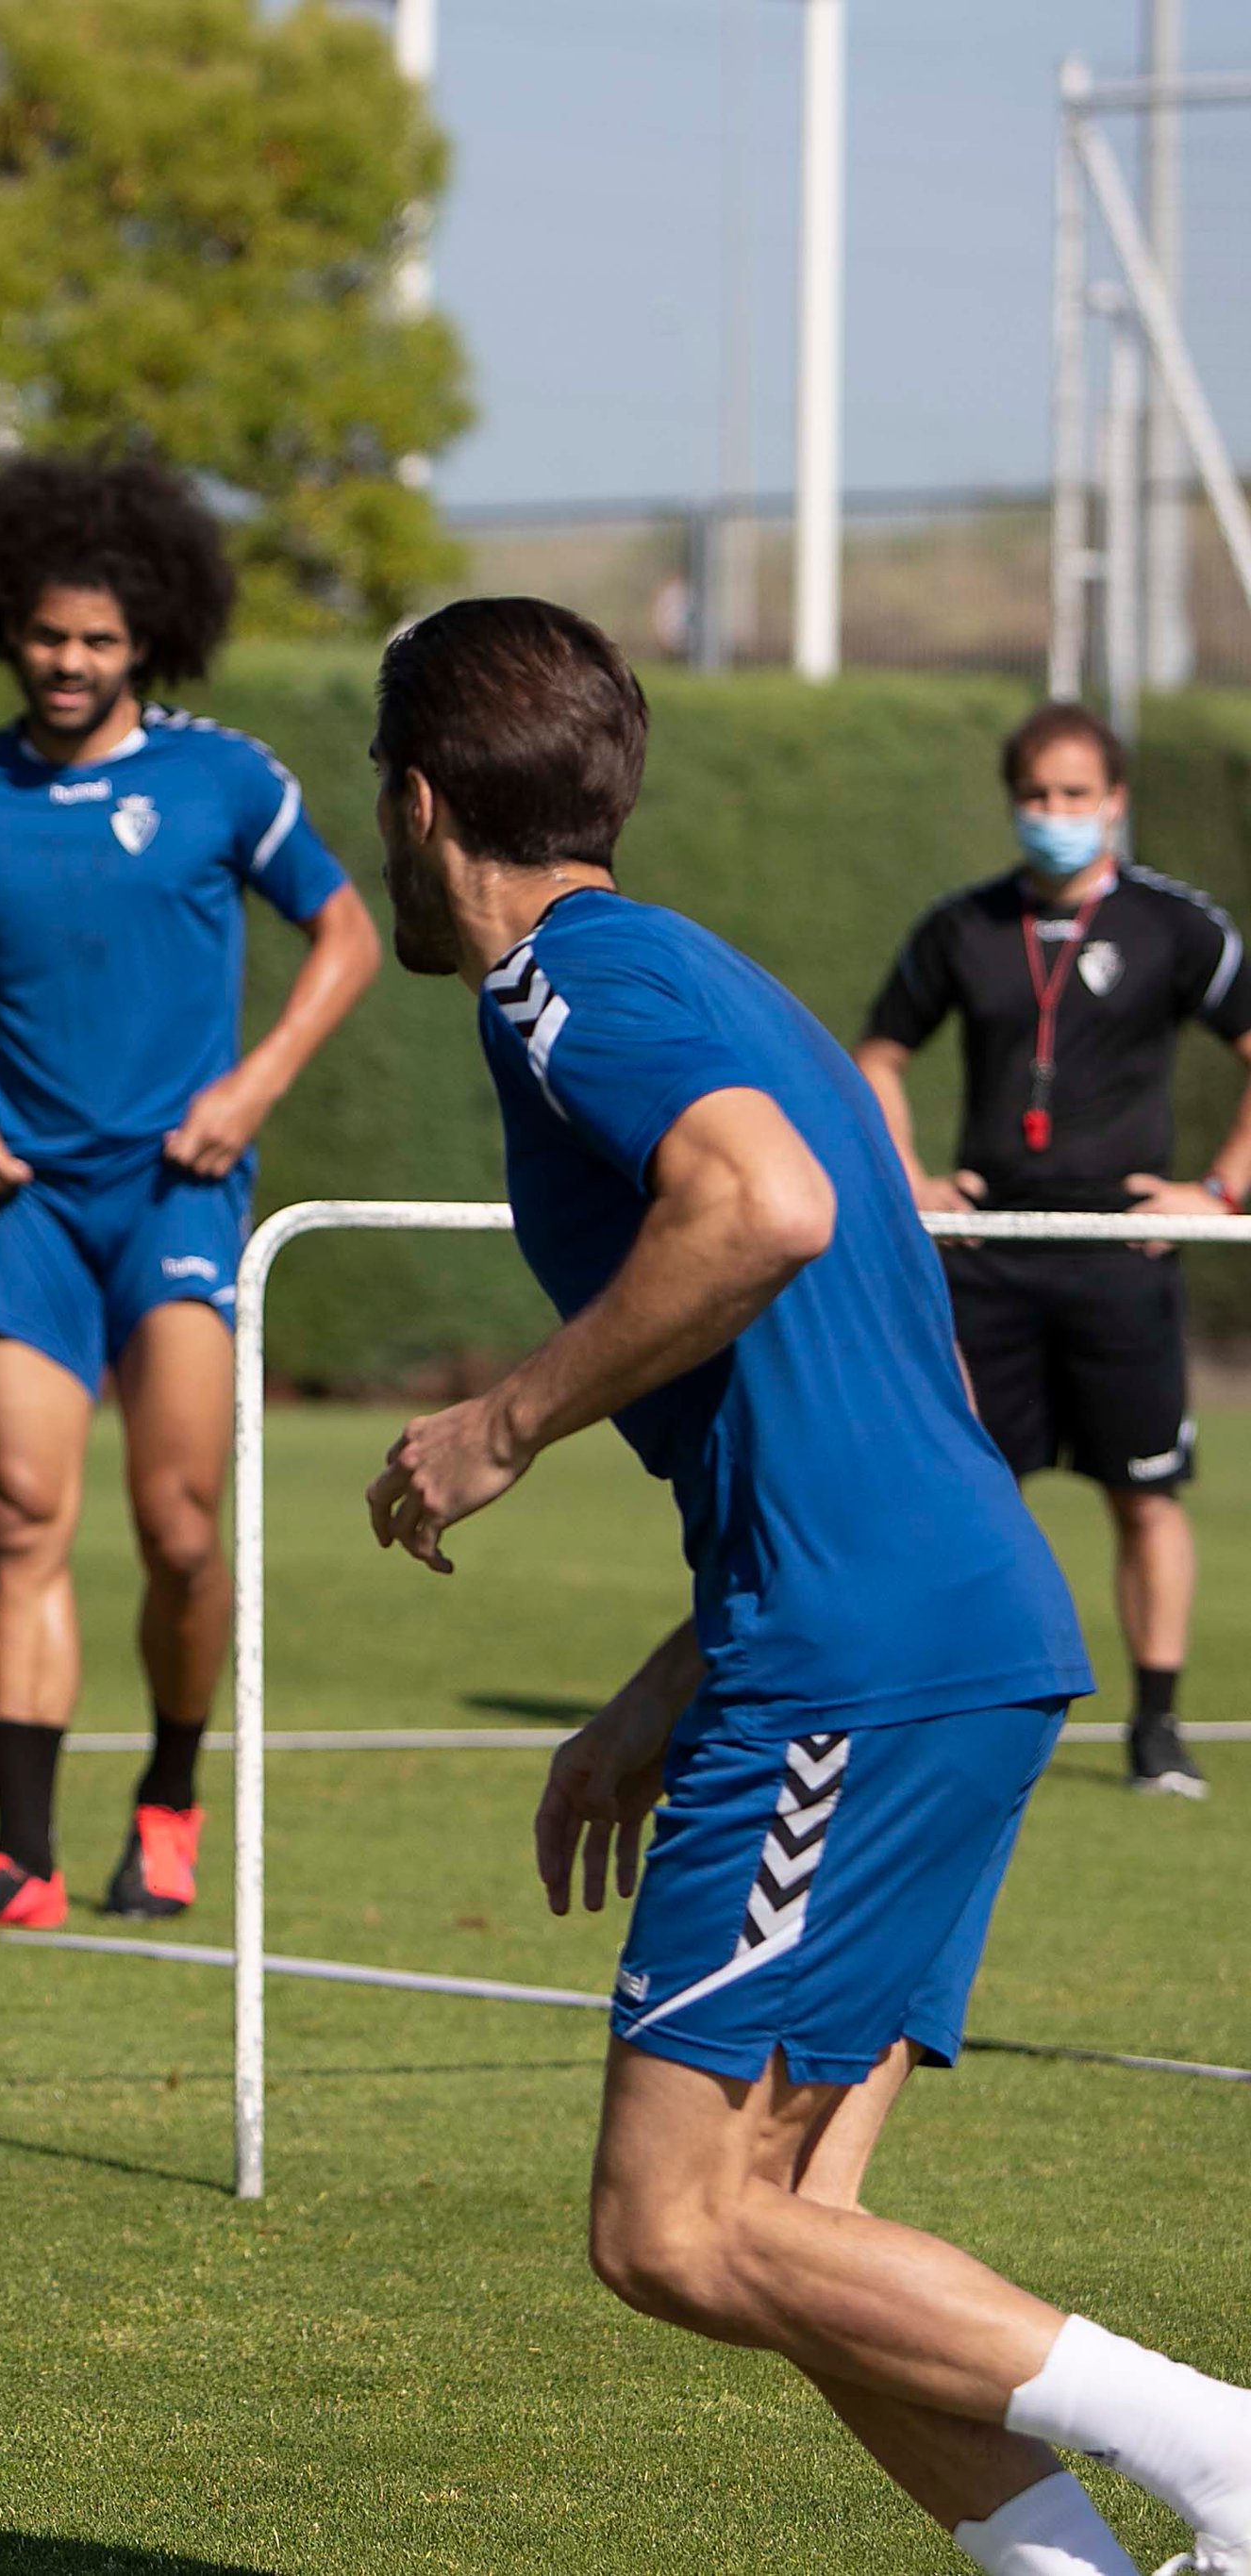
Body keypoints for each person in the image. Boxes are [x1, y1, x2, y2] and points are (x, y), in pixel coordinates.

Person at [364, 597, 1251, 2576]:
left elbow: (763, 1211)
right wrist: (662, 1686)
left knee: (668, 2224)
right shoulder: (711, 980)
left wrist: (497, 1427)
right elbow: (873, 1367)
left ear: (417, 808)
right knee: (793, 2238)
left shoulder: (564, 992)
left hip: (858, 1653)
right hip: (935, 1624)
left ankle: (1226, 2455)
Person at [0, 456, 379, 1931]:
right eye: (45, 635)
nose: (70, 662)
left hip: (178, 1201)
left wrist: (256, 1084)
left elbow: (343, 934)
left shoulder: (224, 778)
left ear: (147, 633)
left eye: (97, 637)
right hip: (21, 1206)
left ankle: (167, 1798)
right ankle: (21, 1859)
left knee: (181, 1528)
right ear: (2, 631)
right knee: (23, 1515)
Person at [855, 703, 1251, 1802]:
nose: (1055, 815)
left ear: (1114, 802)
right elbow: (877, 1056)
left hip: (1121, 1253)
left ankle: (1158, 1731)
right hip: (988, 1250)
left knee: (1145, 1495)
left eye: (1077, 795)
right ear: (1012, 802)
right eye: (1036, 796)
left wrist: (1216, 1194)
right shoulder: (962, 927)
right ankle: (960, 1718)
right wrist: (912, 1181)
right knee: (970, 1495)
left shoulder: (1177, 927)